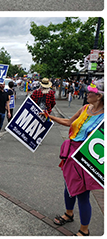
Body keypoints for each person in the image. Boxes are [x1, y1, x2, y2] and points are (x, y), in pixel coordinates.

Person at [49, 80, 104, 236]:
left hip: (86, 157)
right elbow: (68, 122)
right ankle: (69, 214)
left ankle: (84, 230)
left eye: (90, 92)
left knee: (82, 193)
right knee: (68, 186)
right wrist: (50, 117)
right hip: (71, 153)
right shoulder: (85, 108)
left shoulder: (104, 117)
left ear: (99, 96)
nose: (86, 94)